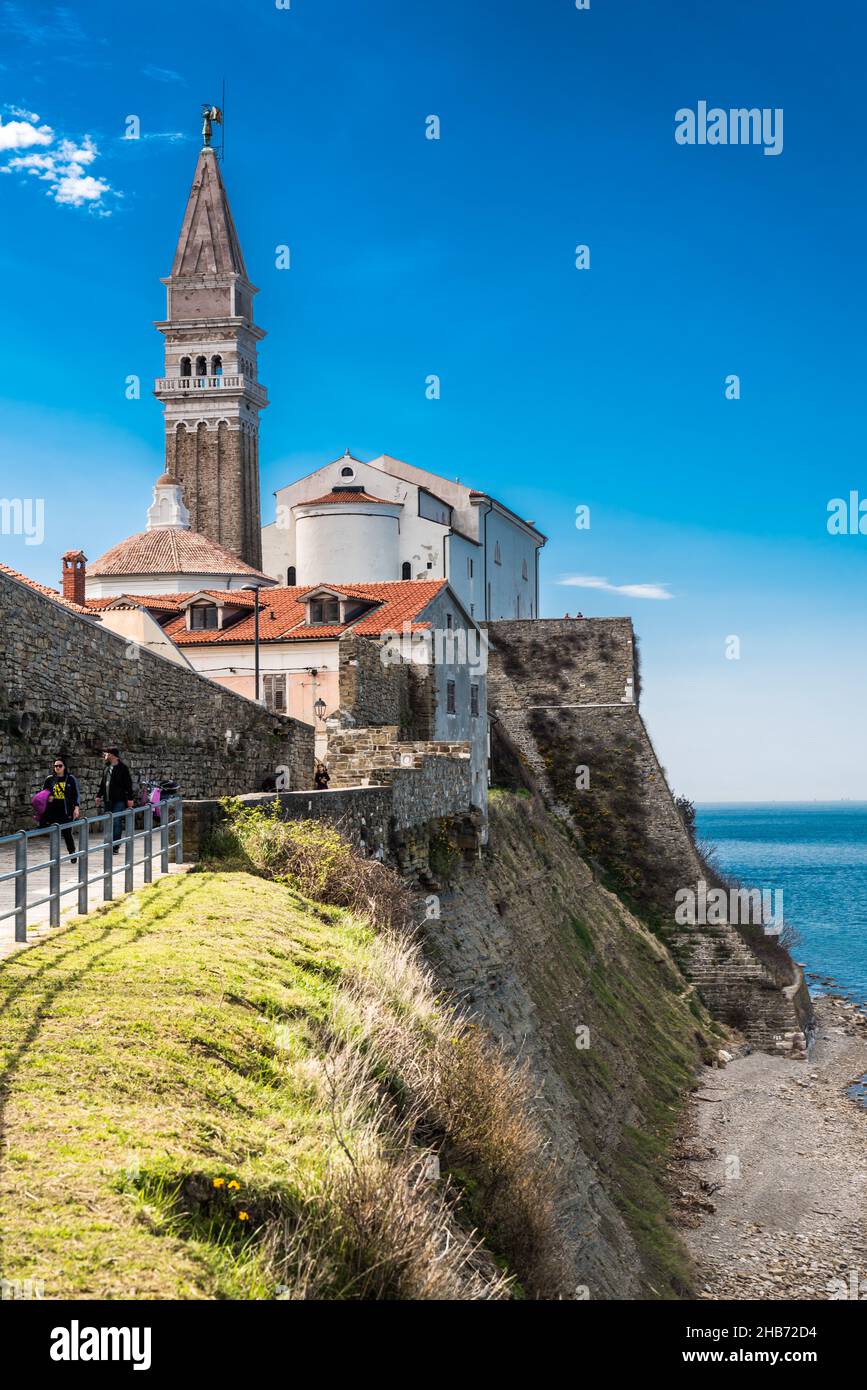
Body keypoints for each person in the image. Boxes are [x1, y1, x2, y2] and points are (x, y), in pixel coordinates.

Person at [39, 756, 81, 861]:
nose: (57, 768)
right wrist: (48, 797)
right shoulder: (50, 779)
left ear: (64, 767)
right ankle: (54, 857)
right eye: (55, 766)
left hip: (66, 810)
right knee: (54, 833)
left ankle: (72, 853)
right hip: (53, 810)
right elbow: (43, 794)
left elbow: (75, 794)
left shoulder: (70, 778)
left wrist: (76, 808)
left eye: (60, 766)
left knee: (67, 833)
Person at [96, 747, 135, 854]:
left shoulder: (122, 768)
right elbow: (103, 783)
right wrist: (99, 795)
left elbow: (128, 784)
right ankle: (109, 843)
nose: (105, 755)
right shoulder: (107, 767)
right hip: (108, 799)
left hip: (119, 799)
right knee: (108, 821)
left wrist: (130, 798)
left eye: (107, 753)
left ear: (112, 755)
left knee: (116, 821)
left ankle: (115, 845)